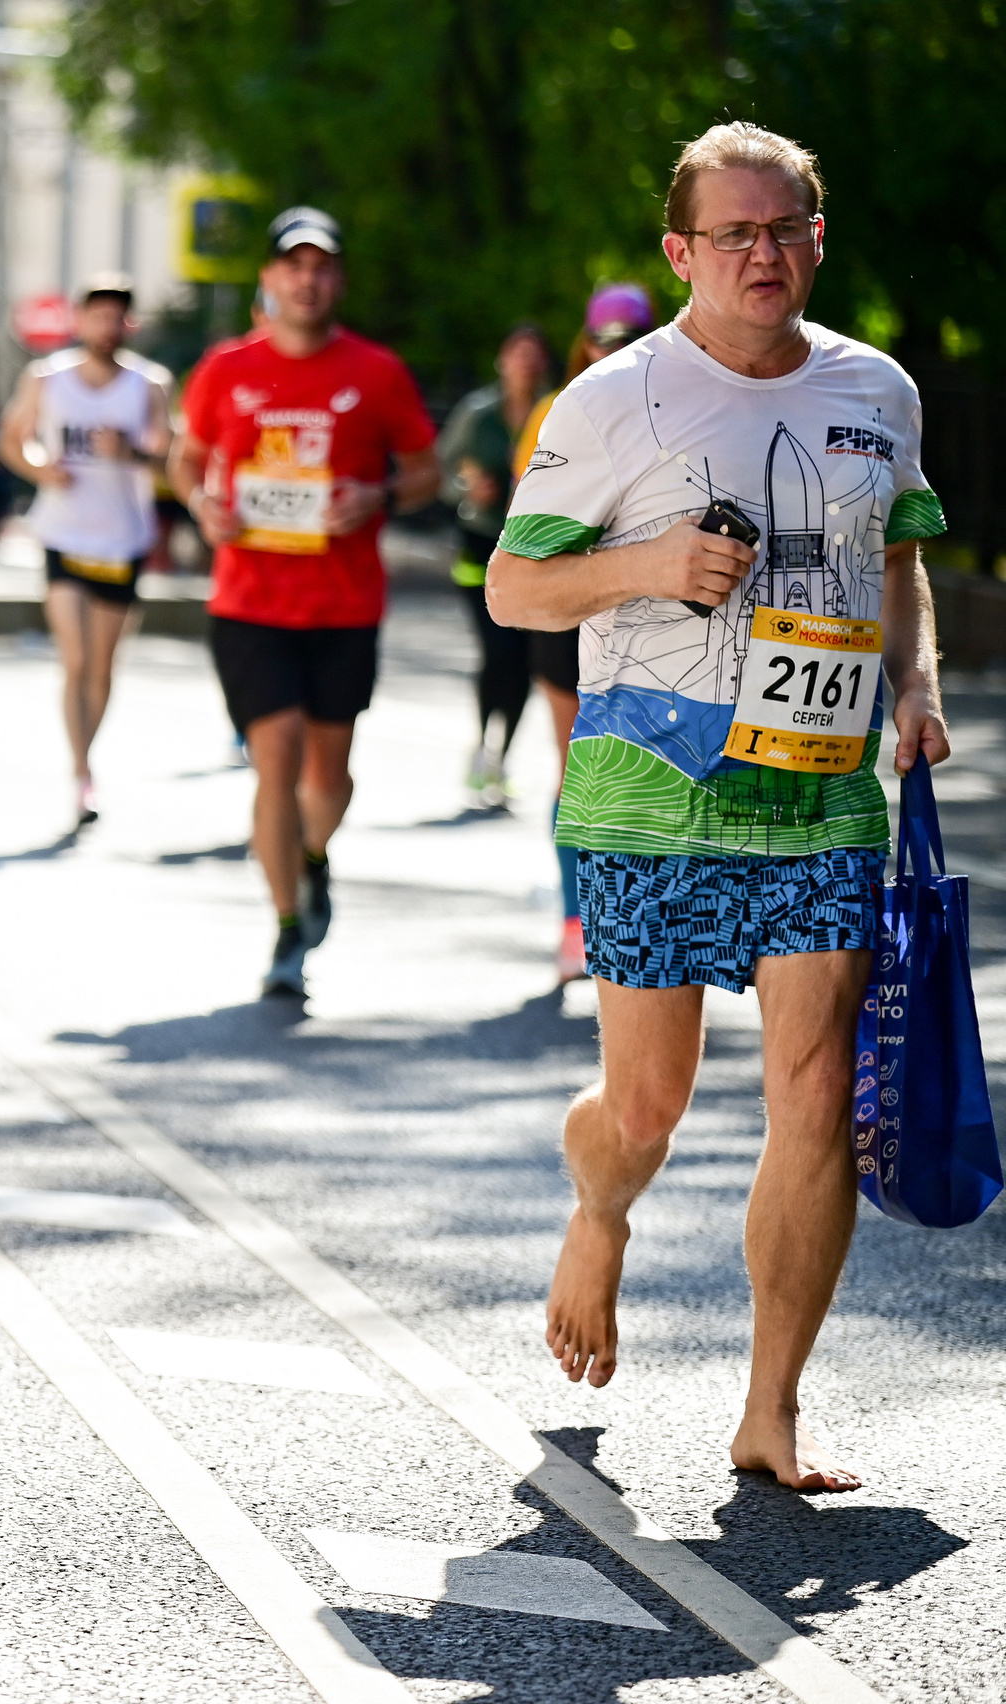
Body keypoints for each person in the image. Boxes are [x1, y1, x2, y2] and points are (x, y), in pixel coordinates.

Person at [488, 123, 950, 1492]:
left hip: (821, 798)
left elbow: (898, 558)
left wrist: (916, 681)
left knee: (814, 1094)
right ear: (681, 251)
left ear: (817, 239)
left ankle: (770, 1412)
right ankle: (599, 1209)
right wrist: (647, 566)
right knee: (648, 1106)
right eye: (734, 232)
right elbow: (514, 588)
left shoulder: (876, 390)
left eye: (785, 228)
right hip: (652, 798)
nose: (764, 252)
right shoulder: (610, 402)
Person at [171, 210, 440, 998]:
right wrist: (201, 503)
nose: (308, 280)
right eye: (294, 265)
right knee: (277, 757)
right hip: (249, 601)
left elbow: (426, 471)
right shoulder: (225, 368)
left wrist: (377, 494)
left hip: (343, 605)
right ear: (271, 278)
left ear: (338, 281)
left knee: (329, 775)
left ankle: (314, 856)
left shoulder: (377, 372)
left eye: (322, 267)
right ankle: (287, 926)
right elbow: (186, 458)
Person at [517, 283, 660, 981]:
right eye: (604, 341)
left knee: (647, 773)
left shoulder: (688, 408)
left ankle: (635, 918)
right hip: (573, 613)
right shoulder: (558, 409)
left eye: (631, 340)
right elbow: (526, 524)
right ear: (585, 344)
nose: (616, 353)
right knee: (578, 770)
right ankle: (576, 922)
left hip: (656, 617)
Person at [0, 277, 175, 832]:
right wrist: (40, 468)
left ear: (130, 324)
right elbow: (12, 439)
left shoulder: (150, 384)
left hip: (123, 539)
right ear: (80, 321)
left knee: (102, 664)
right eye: (97, 316)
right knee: (75, 659)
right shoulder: (46, 378)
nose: (107, 326)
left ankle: (87, 754)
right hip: (63, 534)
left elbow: (170, 457)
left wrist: (130, 451)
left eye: (117, 317)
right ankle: (81, 772)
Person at [438, 324, 556, 810]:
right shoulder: (477, 413)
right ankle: (482, 741)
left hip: (534, 549)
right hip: (480, 546)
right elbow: (441, 472)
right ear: (501, 360)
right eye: (516, 352)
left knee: (525, 662)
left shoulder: (556, 411)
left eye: (534, 354)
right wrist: (469, 490)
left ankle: (500, 756)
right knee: (498, 652)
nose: (525, 362)